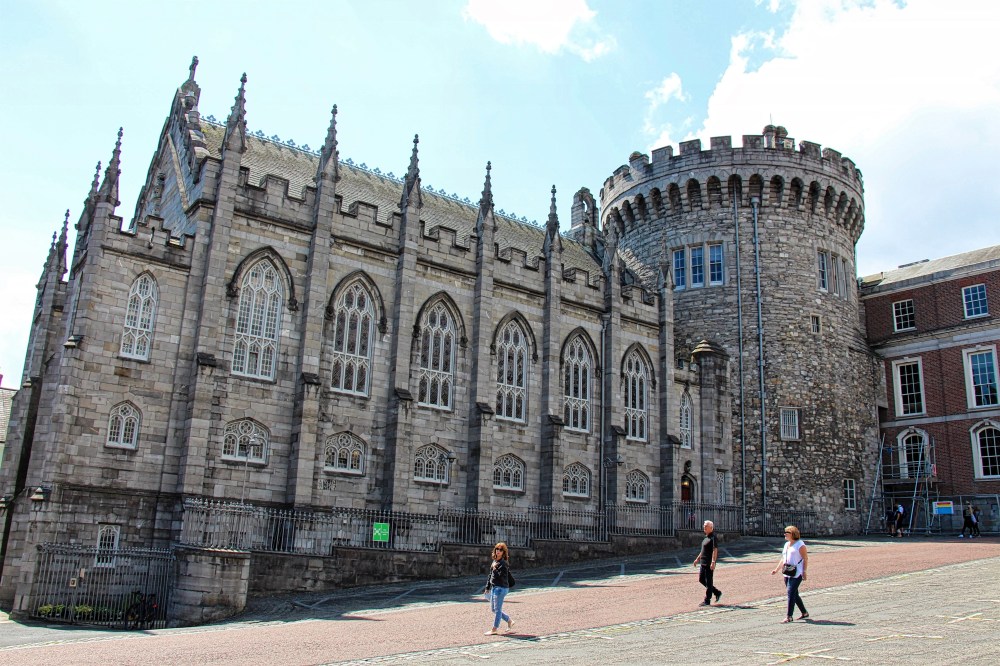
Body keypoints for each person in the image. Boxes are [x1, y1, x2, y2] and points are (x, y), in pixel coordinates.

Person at [771, 525, 809, 623]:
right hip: (787, 571)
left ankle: (789, 616)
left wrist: (804, 571)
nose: (784, 534)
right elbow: (783, 558)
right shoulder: (786, 544)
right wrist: (776, 569)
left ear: (792, 534)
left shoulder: (800, 545)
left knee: (790, 592)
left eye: (786, 533)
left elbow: (805, 558)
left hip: (797, 572)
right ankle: (804, 612)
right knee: (794, 594)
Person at [484, 542, 515, 635]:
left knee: (497, 610)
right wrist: (487, 587)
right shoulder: (495, 561)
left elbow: (501, 576)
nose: (498, 551)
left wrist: (494, 569)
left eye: (500, 550)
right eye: (497, 549)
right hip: (494, 587)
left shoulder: (503, 563)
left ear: (503, 552)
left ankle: (494, 629)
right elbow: (491, 576)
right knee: (494, 609)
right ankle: (509, 620)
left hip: (501, 588)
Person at [692, 520, 722, 606]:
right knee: (701, 579)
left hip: (709, 563)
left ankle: (707, 600)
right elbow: (703, 550)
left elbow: (715, 550)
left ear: (711, 528)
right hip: (703, 562)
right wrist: (697, 559)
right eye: (704, 525)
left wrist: (713, 561)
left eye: (706, 526)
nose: (704, 527)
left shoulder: (713, 537)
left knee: (709, 582)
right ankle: (716, 592)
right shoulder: (706, 537)